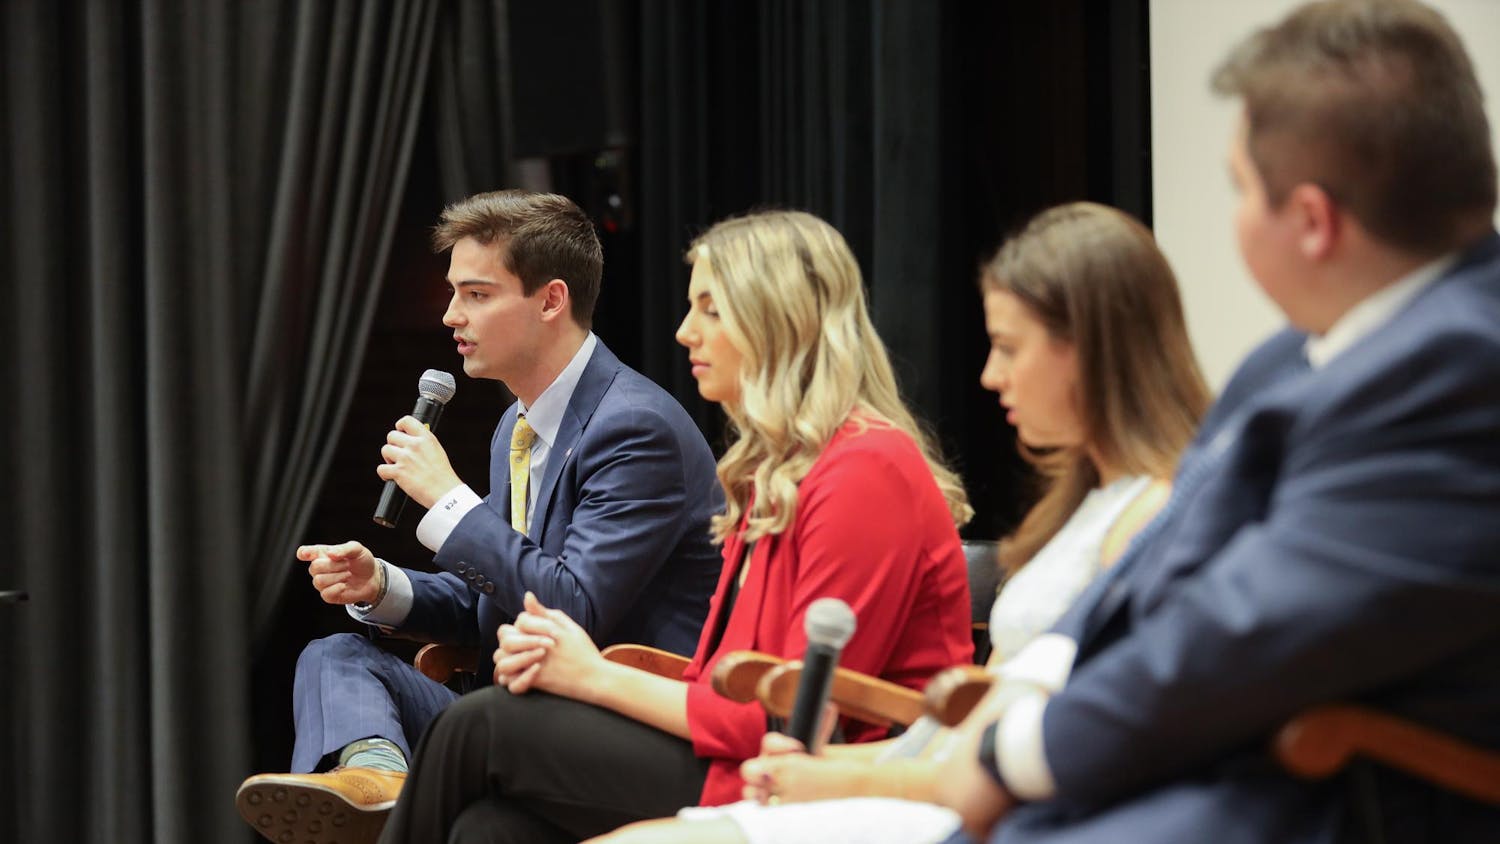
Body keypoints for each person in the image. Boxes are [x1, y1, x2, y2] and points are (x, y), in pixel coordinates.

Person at [936, 1, 1500, 841]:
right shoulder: (1289, 358)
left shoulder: (1465, 363)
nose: (1233, 211)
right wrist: (1045, 676)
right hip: (1206, 753)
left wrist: (1018, 754)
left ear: (1311, 221)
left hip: (1331, 790)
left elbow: (1254, 626)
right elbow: (1156, 562)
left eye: (1239, 186)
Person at [588, 201, 1213, 844]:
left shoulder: (1148, 520)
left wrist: (845, 776)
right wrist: (833, 768)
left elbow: (1059, 749)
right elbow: (981, 728)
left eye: (1007, 347)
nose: (989, 375)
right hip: (936, 774)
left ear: (1088, 351)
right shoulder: (1089, 510)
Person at [373, 209, 977, 844]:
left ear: (781, 320)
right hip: (736, 748)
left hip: (818, 780)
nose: (686, 332)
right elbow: (719, 677)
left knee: (480, 726)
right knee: (491, 829)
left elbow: (787, 721)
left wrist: (594, 676)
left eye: (713, 310)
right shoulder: (777, 470)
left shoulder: (866, 470)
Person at [235, 190, 724, 842]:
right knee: (334, 657)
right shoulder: (514, 429)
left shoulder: (633, 428)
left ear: (551, 301)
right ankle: (379, 778)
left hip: (624, 729)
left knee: (485, 825)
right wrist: (382, 586)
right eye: (453, 294)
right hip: (520, 712)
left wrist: (446, 499)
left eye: (476, 295)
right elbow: (495, 594)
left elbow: (570, 608)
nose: (450, 316)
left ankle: (395, 812)